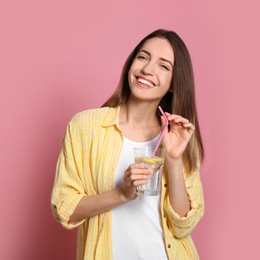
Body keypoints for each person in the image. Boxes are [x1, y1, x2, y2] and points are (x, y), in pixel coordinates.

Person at [51, 29, 205, 260]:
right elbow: (64, 208)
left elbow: (183, 225)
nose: (148, 69)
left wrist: (173, 159)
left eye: (164, 66)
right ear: (131, 63)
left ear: (174, 83)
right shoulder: (86, 126)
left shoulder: (176, 135)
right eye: (143, 57)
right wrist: (122, 194)